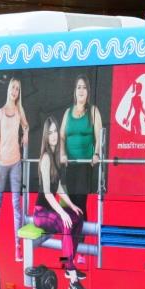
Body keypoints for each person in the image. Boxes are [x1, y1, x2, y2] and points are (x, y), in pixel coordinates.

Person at [31, 116, 88, 289]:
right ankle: (72, 279)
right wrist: (63, 212)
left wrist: (71, 205)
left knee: (78, 218)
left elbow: (59, 188)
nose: (54, 135)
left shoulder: (56, 157)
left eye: (55, 131)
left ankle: (68, 264)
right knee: (66, 223)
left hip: (51, 210)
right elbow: (48, 193)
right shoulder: (46, 158)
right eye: (50, 133)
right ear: (46, 136)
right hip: (41, 213)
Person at [0, 77, 29, 262]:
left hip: (15, 164)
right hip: (1, 163)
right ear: (8, 90)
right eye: (13, 88)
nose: (15, 91)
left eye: (17, 89)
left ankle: (17, 247)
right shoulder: (0, 112)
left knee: (16, 206)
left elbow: (26, 126)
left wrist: (25, 135)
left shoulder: (20, 110)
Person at [59, 74, 103, 220]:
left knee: (79, 203)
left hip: (85, 165)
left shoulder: (93, 111)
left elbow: (99, 136)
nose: (81, 90)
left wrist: (96, 154)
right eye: (79, 87)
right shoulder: (68, 112)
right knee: (69, 204)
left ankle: (80, 233)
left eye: (84, 87)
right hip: (69, 165)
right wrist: (62, 154)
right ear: (75, 91)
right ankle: (73, 232)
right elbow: (61, 137)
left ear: (88, 91)